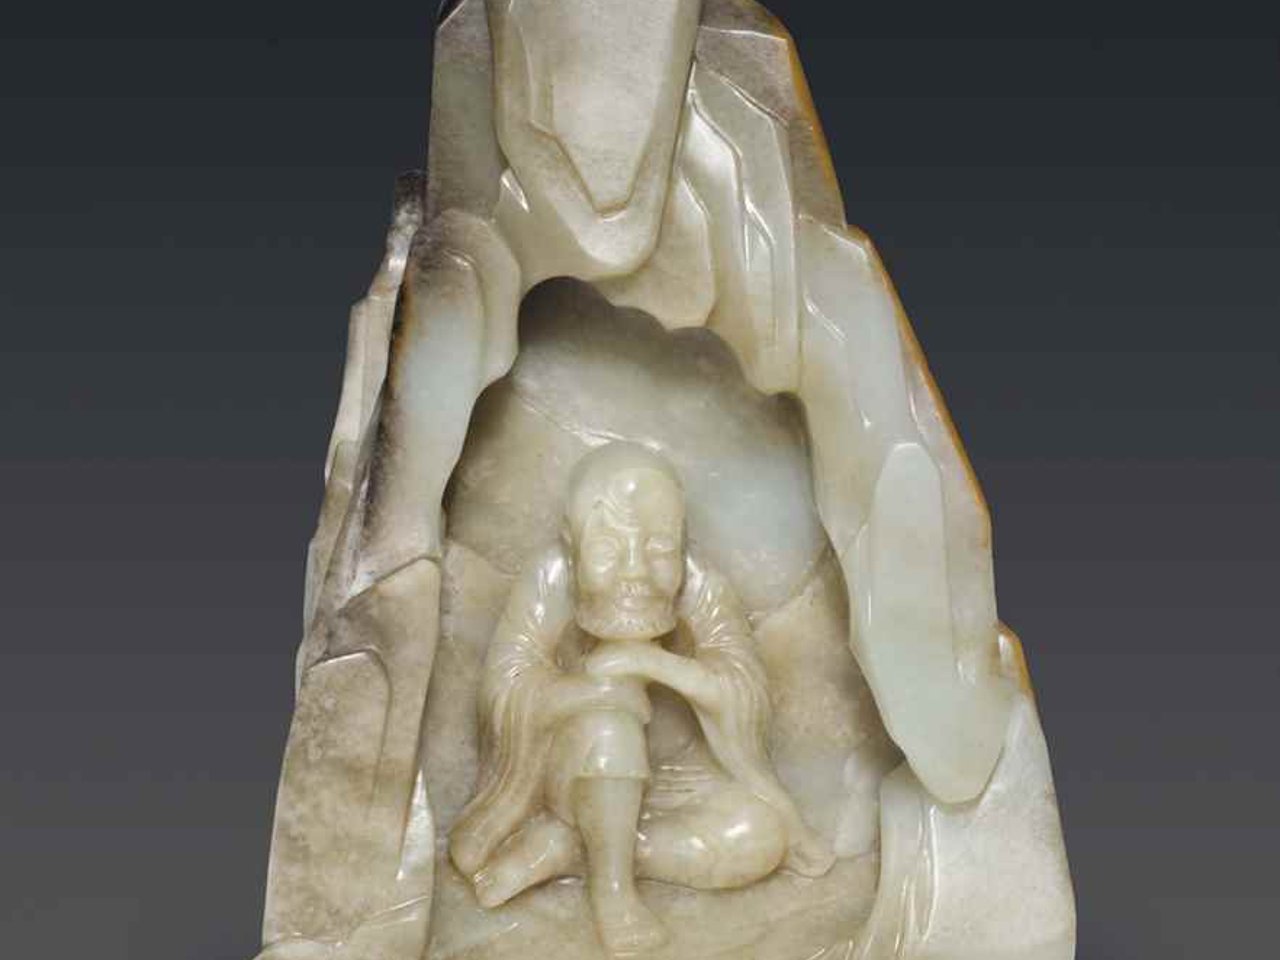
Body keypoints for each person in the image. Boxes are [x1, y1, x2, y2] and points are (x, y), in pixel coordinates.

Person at [449, 442, 834, 955]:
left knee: (760, 837)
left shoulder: (701, 587)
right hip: (576, 774)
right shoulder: (550, 579)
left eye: (658, 550)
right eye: (609, 550)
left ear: (682, 542)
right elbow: (507, 687)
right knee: (611, 726)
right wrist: (595, 692)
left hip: (678, 787)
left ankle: (571, 849)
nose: (635, 572)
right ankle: (614, 894)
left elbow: (743, 687)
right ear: (572, 543)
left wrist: (653, 663)